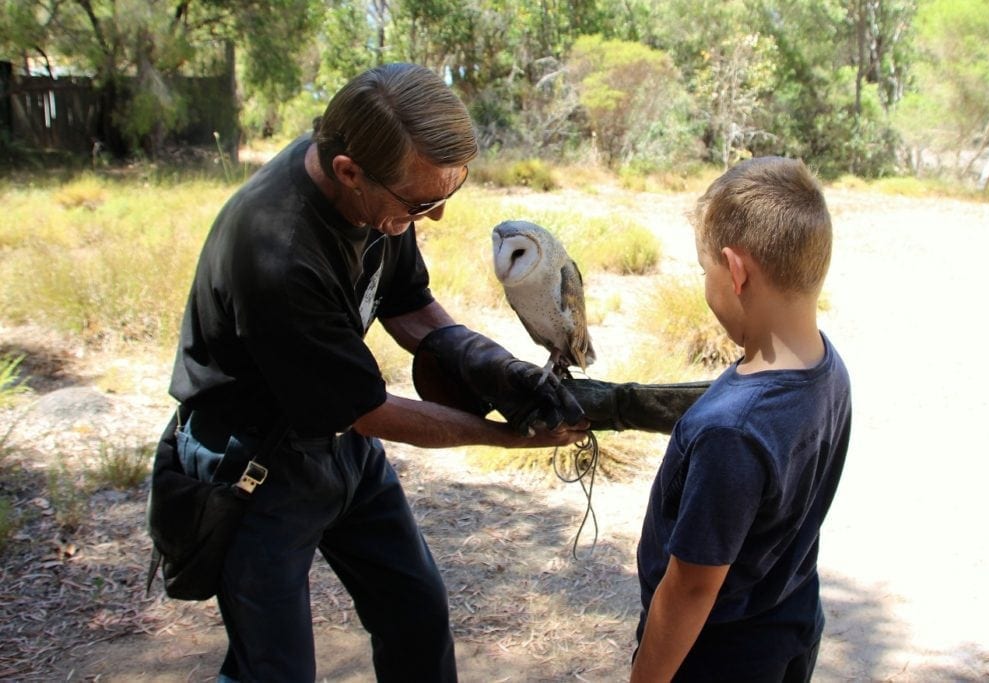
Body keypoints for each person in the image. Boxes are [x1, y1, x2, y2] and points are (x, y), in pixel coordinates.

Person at [164, 62, 591, 683]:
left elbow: (405, 299)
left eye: (448, 195)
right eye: (423, 204)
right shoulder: (279, 254)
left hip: (341, 447)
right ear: (348, 171)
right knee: (272, 669)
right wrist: (508, 437)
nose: (434, 217)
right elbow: (368, 410)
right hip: (254, 465)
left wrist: (479, 358)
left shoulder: (379, 196)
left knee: (416, 616)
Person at [630, 157, 852, 682]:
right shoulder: (827, 366)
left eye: (704, 271)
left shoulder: (732, 430)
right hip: (791, 620)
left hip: (716, 655)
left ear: (735, 271)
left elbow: (691, 587)